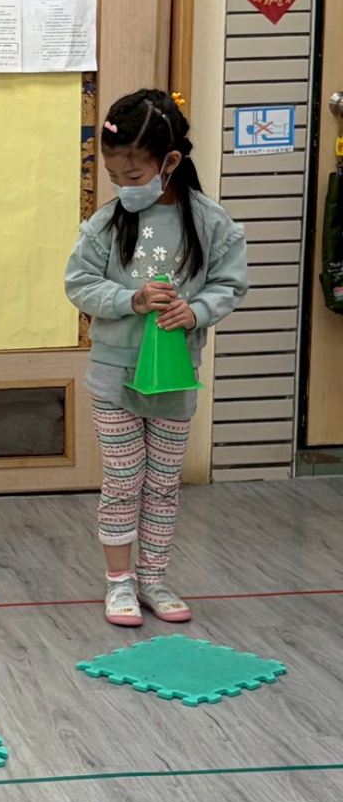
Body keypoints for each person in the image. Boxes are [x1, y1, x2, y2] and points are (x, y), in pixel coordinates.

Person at [64, 90, 248, 627]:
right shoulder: (106, 224)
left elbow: (230, 282)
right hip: (114, 377)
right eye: (114, 176)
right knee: (124, 480)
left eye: (134, 174)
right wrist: (131, 300)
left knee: (164, 484)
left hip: (174, 378)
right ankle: (119, 583)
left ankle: (153, 579)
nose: (124, 186)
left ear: (170, 162)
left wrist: (197, 311)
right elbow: (79, 284)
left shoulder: (209, 222)